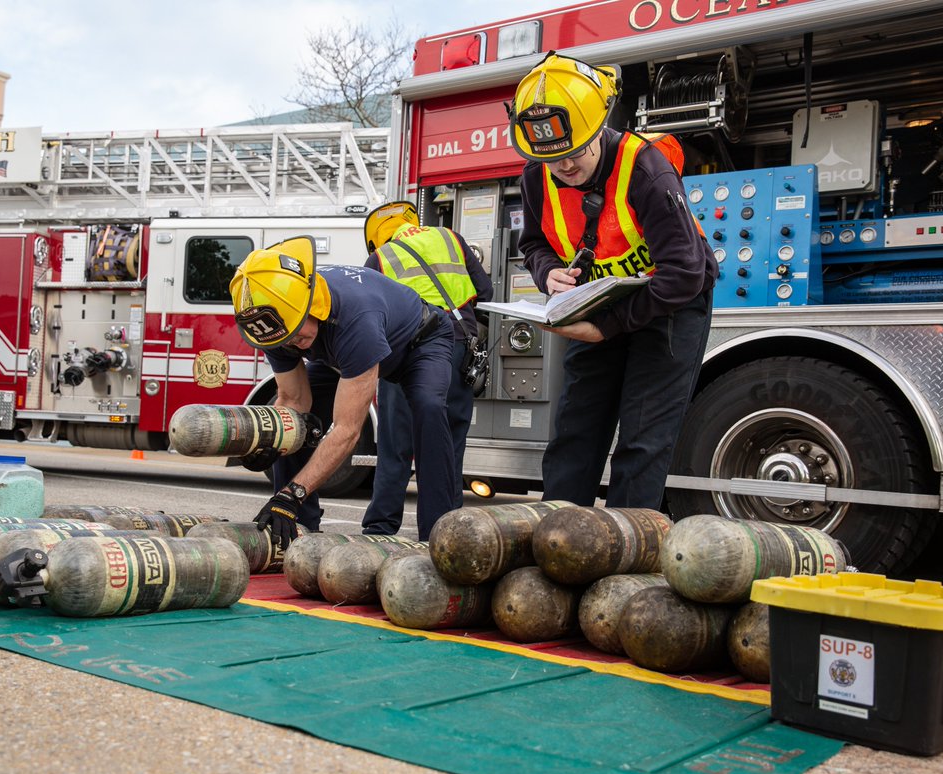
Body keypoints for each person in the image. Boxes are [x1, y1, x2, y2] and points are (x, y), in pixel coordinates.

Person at [506, 52, 717, 509]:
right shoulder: (536, 176)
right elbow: (534, 244)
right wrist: (549, 275)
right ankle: (558, 542)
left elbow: (684, 274)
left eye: (574, 152)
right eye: (553, 159)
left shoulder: (646, 169)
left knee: (642, 440)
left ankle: (625, 559)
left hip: (670, 308)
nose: (564, 167)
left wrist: (607, 327)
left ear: (597, 129)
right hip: (598, 303)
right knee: (575, 434)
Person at [229, 235, 459, 548]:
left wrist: (293, 493)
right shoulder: (277, 325)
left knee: (428, 407)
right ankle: (297, 527)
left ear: (312, 306)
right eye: (283, 342)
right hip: (339, 351)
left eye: (296, 335)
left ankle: (440, 532)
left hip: (421, 341)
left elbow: (347, 431)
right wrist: (267, 443)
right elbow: (294, 401)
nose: (291, 346)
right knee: (287, 423)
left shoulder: (356, 319)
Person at [359, 201, 493, 536]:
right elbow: (485, 293)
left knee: (396, 445)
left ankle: (381, 525)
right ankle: (444, 529)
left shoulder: (381, 258)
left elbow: (372, 314)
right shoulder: (452, 239)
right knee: (449, 441)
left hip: (408, 354)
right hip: (460, 348)